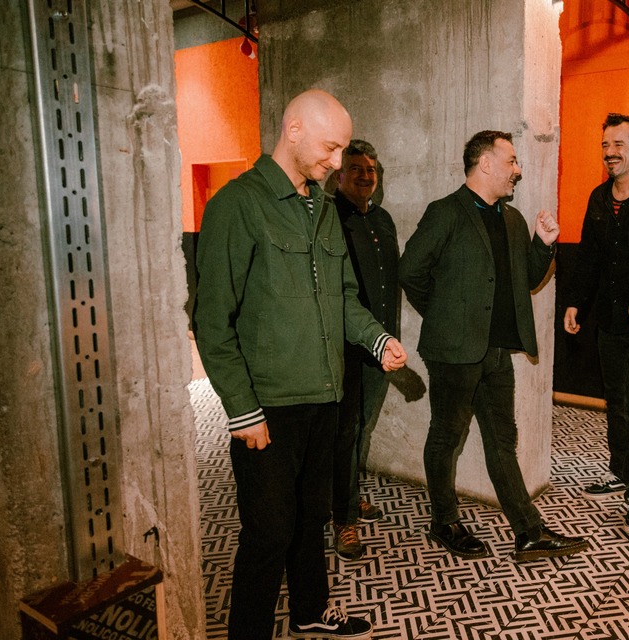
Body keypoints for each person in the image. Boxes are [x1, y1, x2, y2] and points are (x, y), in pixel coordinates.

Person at [194, 89, 407, 640]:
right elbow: (212, 322)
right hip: (268, 408)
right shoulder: (237, 204)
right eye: (330, 148)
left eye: (342, 150)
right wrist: (242, 410)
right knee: (268, 534)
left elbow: (343, 297)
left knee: (312, 520)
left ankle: (311, 611)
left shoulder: (324, 209)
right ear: (293, 130)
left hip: (325, 397)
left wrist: (377, 339)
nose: (337, 162)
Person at [399, 130, 589, 563]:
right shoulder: (445, 212)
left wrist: (543, 245)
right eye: (512, 161)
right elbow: (410, 271)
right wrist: (445, 316)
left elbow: (526, 279)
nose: (518, 170)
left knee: (503, 440)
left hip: (497, 353)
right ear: (485, 163)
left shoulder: (513, 219)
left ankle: (529, 532)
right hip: (453, 352)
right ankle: (444, 521)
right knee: (446, 436)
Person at [562, 113, 629, 533]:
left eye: (618, 144)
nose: (610, 152)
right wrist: (575, 303)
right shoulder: (599, 198)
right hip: (608, 319)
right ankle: (619, 472)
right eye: (605, 145)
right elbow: (589, 256)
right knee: (616, 401)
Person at [329, 140, 400, 561]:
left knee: (362, 427)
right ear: (338, 175)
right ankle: (343, 520)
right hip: (345, 345)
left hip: (380, 345)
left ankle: (349, 495)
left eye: (371, 170)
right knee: (345, 432)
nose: (365, 176)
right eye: (355, 168)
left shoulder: (383, 219)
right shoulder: (328, 217)